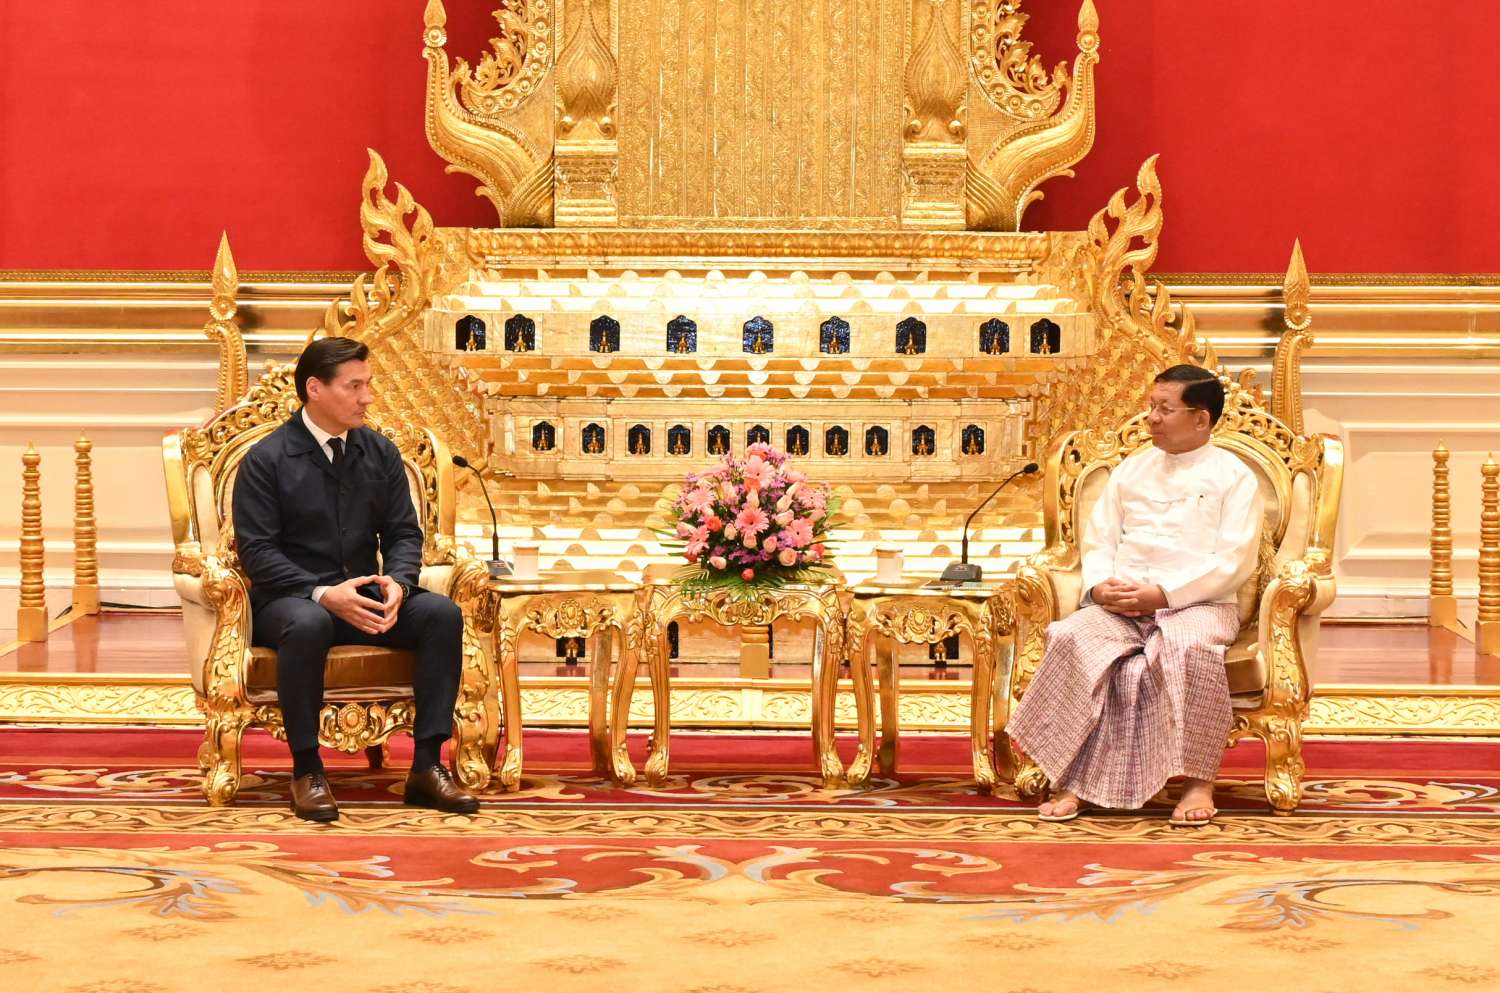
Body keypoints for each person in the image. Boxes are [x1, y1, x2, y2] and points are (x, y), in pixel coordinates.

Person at [231, 337, 480, 821]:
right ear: (315, 389)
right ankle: (307, 771)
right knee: (309, 623)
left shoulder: (379, 451)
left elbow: (404, 532)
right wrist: (324, 593)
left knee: (440, 614)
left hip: (365, 596)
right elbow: (258, 552)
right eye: (355, 386)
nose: (368, 397)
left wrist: (399, 584)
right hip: (290, 599)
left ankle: (427, 766)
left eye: (368, 384)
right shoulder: (268, 459)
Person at [1007, 364, 1262, 826]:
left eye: (1164, 409)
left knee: (1189, 650)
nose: (1151, 418)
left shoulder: (1234, 476)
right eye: (1151, 406)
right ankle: (1073, 778)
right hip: (1122, 603)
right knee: (1070, 637)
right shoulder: (1131, 468)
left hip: (1199, 604)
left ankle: (1198, 781)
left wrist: (1163, 594)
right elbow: (1099, 539)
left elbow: (1234, 561)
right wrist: (1100, 585)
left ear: (1201, 419)